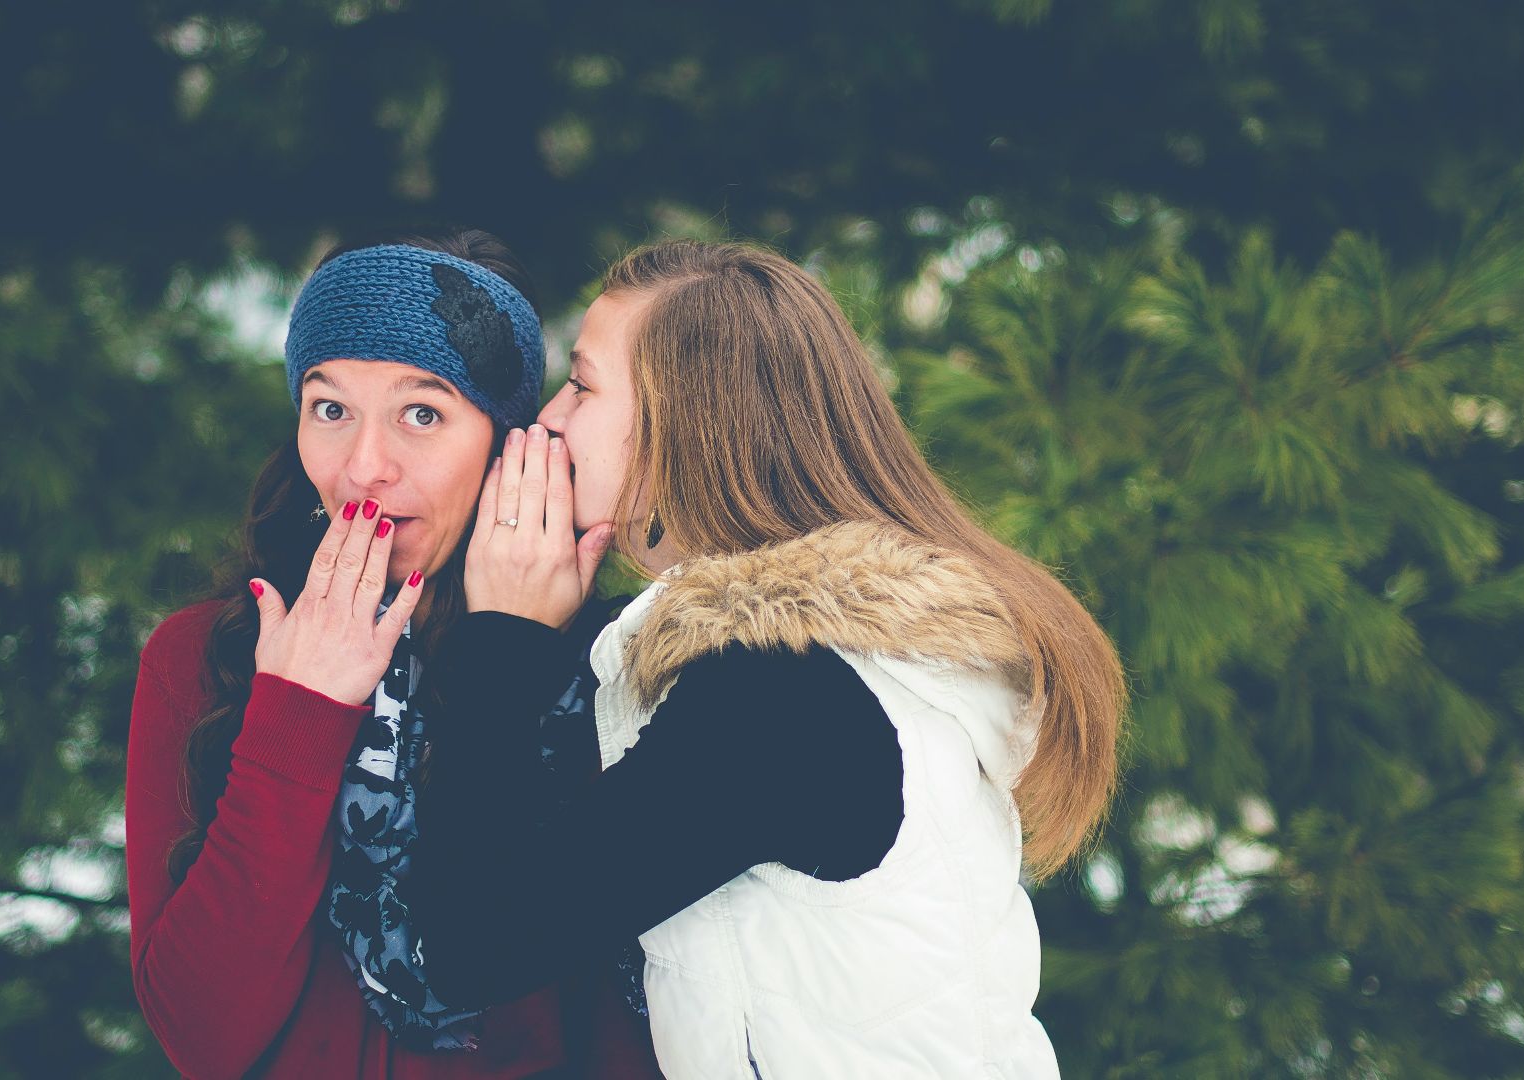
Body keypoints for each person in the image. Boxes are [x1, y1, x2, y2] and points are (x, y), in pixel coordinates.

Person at [354, 239, 1126, 1078]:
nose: (549, 420)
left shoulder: (782, 698)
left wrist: (501, 641)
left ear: (682, 424)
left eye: (581, 385)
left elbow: (474, 947)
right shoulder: (832, 664)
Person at [124, 228, 659, 1079]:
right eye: (329, 408)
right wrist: (297, 716)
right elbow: (203, 1035)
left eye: (422, 413)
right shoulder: (203, 655)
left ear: (508, 442)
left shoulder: (613, 663)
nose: (363, 467)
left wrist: (512, 652)